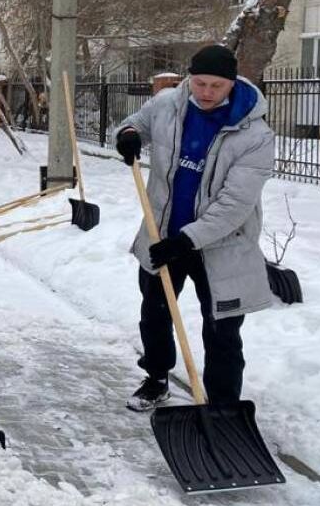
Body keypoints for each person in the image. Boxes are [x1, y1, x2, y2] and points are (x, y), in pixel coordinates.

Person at [114, 44, 274, 412]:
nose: (204, 93)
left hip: (221, 245)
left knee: (222, 329)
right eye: (199, 83)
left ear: (232, 83)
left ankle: (222, 407)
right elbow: (136, 122)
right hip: (163, 231)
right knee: (154, 312)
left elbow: (236, 205)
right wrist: (128, 135)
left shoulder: (255, 135)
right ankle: (156, 379)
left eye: (215, 86)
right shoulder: (168, 103)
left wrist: (188, 239)